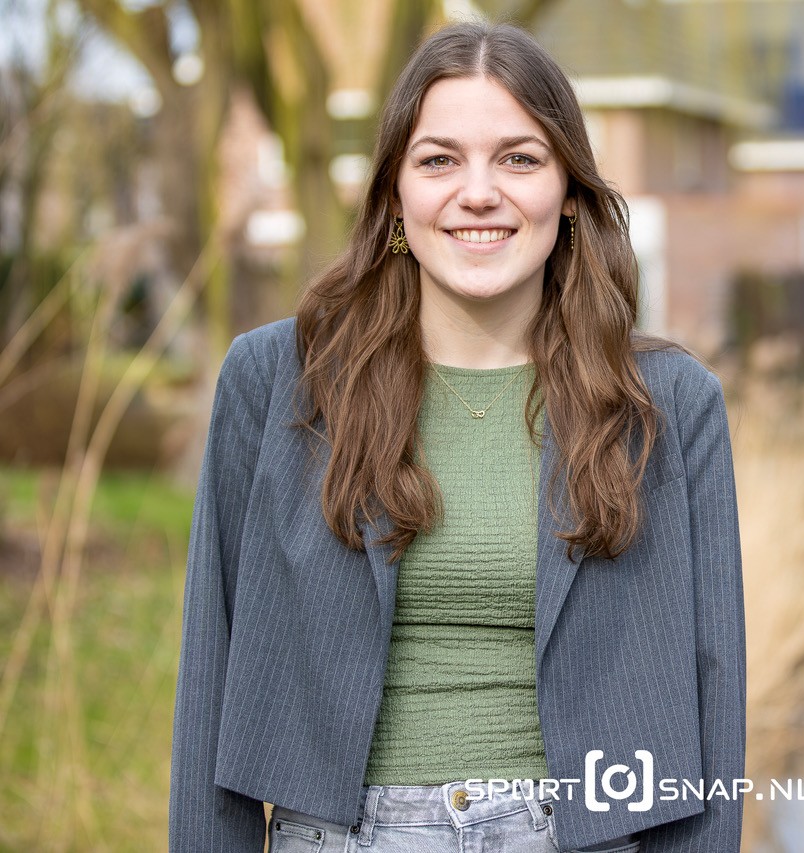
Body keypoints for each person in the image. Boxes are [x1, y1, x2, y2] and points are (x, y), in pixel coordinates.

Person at [168, 20, 745, 853]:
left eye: (519, 157)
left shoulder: (665, 404)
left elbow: (712, 685)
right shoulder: (276, 380)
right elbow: (211, 673)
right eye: (439, 159)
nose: (479, 192)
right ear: (396, 196)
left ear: (570, 196)